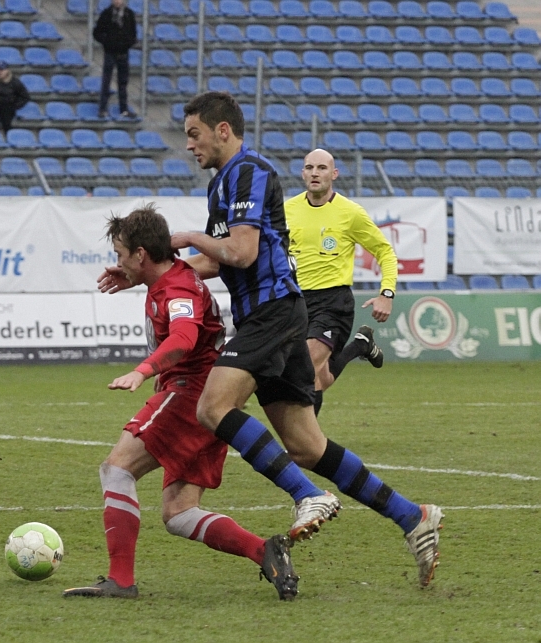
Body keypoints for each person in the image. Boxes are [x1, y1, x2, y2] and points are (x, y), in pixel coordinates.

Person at [156, 91, 441, 587]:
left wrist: (188, 237)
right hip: (275, 315)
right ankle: (411, 516)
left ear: (223, 130)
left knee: (211, 408)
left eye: (194, 134)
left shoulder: (251, 170)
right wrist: (154, 273)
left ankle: (306, 494)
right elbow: (216, 260)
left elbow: (240, 253)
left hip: (273, 312)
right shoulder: (221, 182)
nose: (188, 145)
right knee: (307, 445)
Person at [62, 206, 298, 601]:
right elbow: (170, 282)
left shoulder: (176, 289)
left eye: (121, 254)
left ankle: (120, 580)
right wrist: (134, 278)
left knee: (116, 470)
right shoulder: (171, 277)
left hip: (190, 394)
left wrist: (143, 370)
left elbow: (184, 336)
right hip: (207, 398)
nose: (117, 261)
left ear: (140, 253)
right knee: (179, 512)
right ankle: (264, 550)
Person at [285, 149, 395, 418]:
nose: (314, 173)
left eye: (322, 168)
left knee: (307, 368)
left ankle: (307, 445)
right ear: (302, 173)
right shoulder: (287, 210)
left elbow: (385, 252)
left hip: (333, 303)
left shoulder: (350, 213)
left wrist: (387, 293)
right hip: (296, 302)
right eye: (309, 167)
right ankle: (360, 345)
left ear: (333, 174)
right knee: (320, 378)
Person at [92, 0, 136, 119]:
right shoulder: (106, 14)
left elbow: (133, 34)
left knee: (123, 82)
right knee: (106, 81)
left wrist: (127, 44)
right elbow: (96, 33)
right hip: (110, 53)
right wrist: (107, 42)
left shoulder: (129, 14)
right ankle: (102, 108)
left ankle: (124, 109)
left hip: (123, 53)